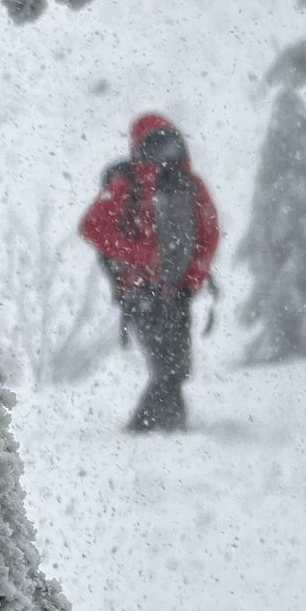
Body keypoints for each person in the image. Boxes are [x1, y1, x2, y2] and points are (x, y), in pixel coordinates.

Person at [80, 113, 219, 432]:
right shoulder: (127, 183)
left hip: (178, 291)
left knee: (177, 367)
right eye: (156, 146)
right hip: (139, 291)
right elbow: (92, 226)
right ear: (140, 149)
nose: (165, 155)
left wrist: (192, 279)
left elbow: (208, 235)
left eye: (170, 145)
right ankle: (153, 431)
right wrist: (140, 255)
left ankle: (163, 430)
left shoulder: (191, 187)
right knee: (168, 367)